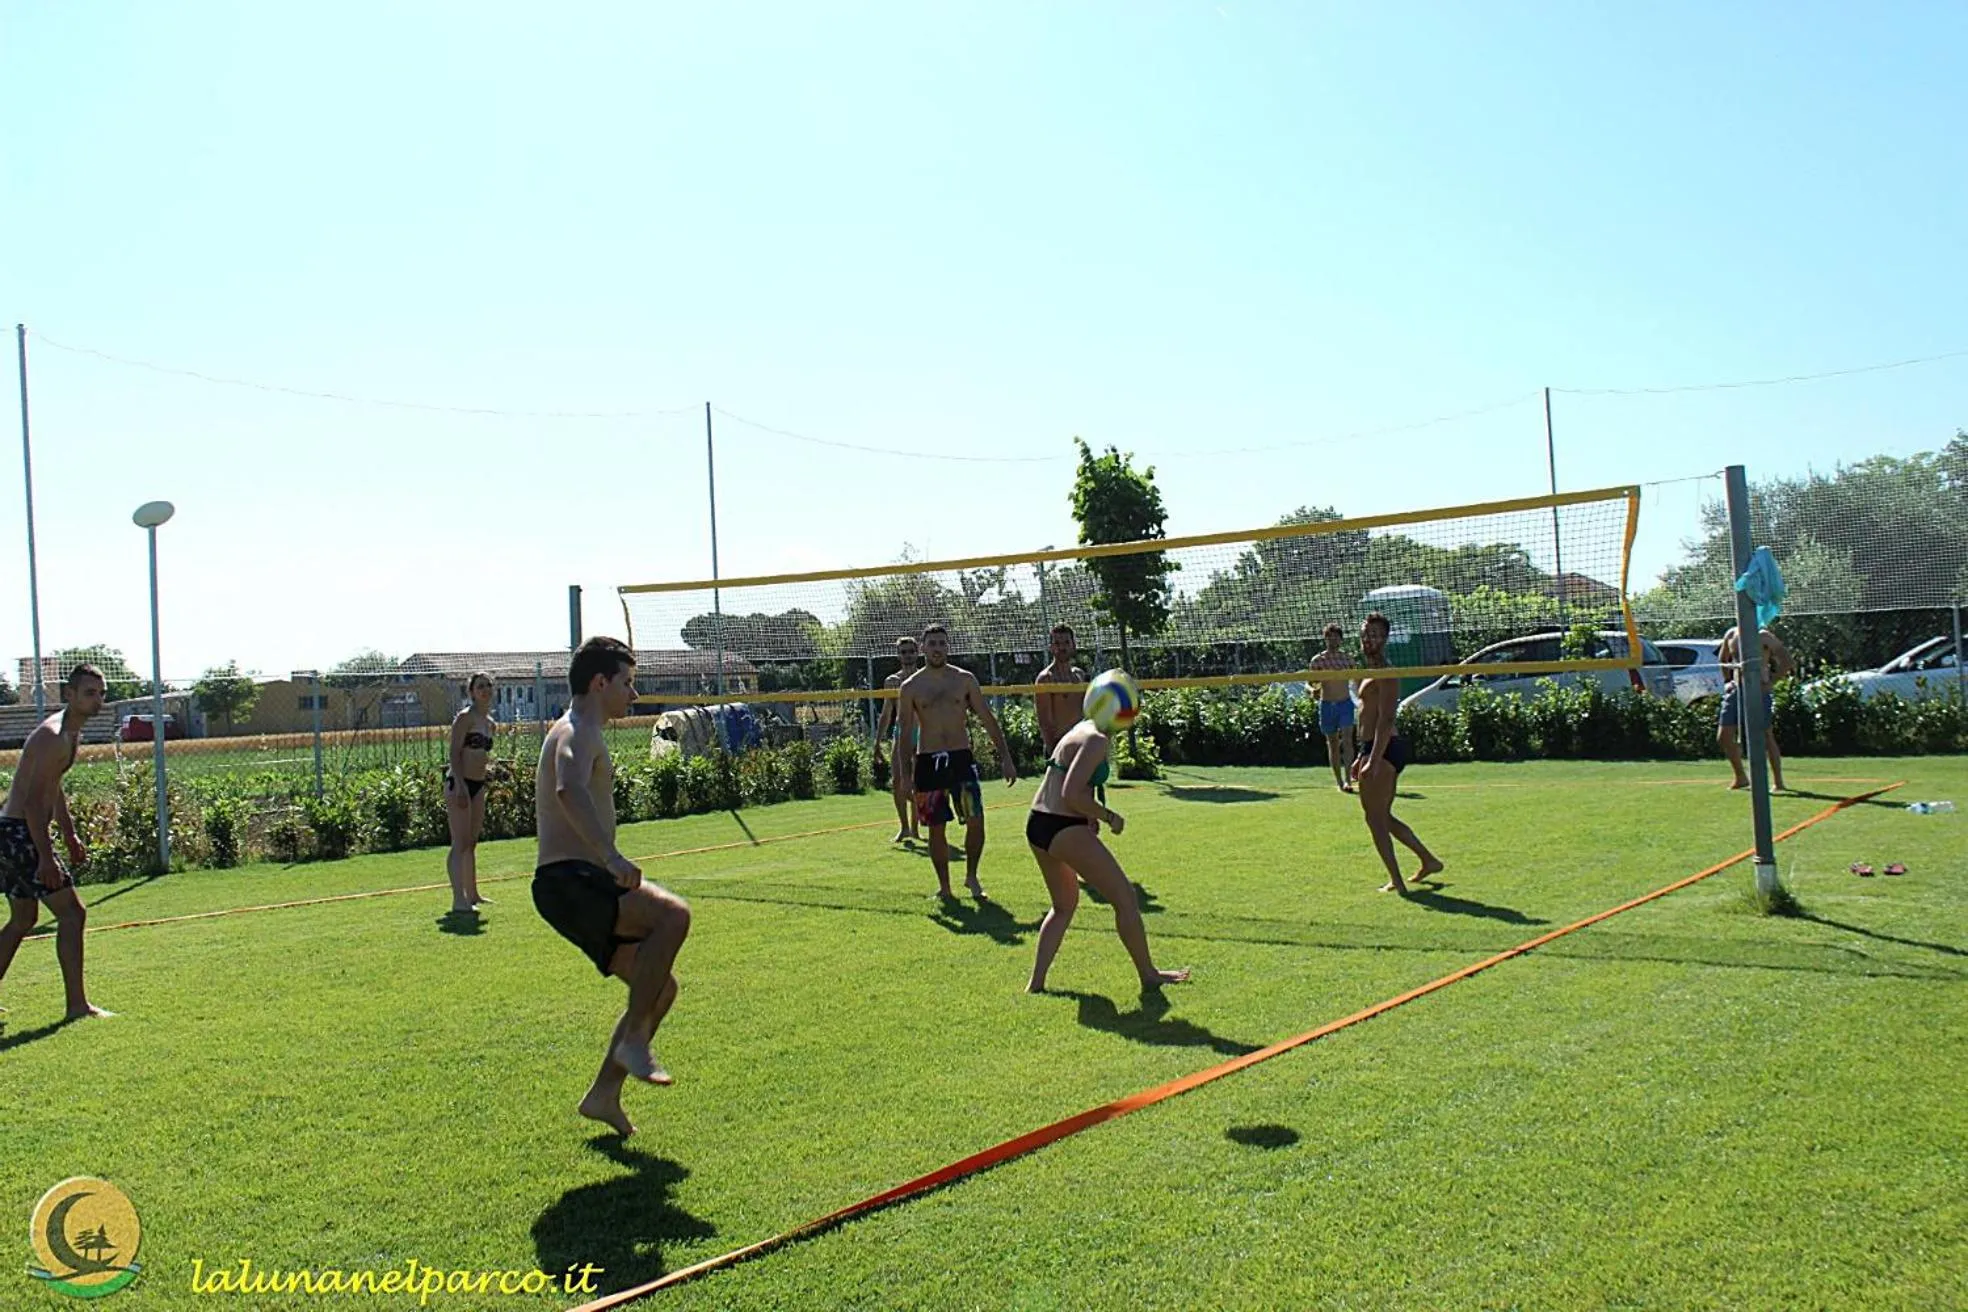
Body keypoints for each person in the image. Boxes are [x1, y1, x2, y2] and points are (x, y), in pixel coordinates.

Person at [532, 638, 691, 1138]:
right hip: (571, 881)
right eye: (626, 682)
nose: (633, 692)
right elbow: (568, 787)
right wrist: (610, 855)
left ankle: (604, 1093)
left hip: (572, 886)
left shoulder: (585, 729)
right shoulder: (577, 730)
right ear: (600, 683)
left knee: (659, 986)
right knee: (673, 915)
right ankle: (636, 1041)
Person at [1025, 712, 1188, 994]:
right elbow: (1071, 794)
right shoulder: (1097, 739)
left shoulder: (1083, 727)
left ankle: (1036, 985)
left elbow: (1068, 780)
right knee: (1125, 897)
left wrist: (1086, 815)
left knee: (1063, 907)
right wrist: (1108, 816)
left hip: (1038, 822)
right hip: (1062, 825)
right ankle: (1148, 974)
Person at [0, 664, 113, 1021]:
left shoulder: (70, 733)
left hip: (13, 832)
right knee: (72, 913)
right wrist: (47, 859)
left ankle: (77, 1005)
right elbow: (34, 803)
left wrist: (70, 833)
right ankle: (77, 1006)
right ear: (70, 695)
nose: (97, 700)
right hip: (20, 833)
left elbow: (53, 788)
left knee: (22, 919)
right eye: (89, 693)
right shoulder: (53, 736)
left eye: (101, 693)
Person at [897, 623, 1019, 901]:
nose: (937, 649)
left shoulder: (964, 680)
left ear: (948, 647)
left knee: (976, 820)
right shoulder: (911, 686)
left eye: (942, 643)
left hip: (960, 759)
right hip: (928, 762)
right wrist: (906, 776)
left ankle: (972, 876)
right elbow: (905, 734)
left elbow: (988, 719)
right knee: (936, 828)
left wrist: (1006, 758)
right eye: (932, 644)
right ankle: (945, 887)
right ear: (923, 648)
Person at [1351, 613, 1444, 894]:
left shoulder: (1386, 672)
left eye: (1376, 634)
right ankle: (1428, 860)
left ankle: (1398, 882)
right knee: (1381, 816)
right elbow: (1368, 716)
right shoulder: (1369, 670)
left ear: (1386, 639)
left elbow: (1386, 718)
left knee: (1375, 819)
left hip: (1385, 748)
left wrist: (1374, 760)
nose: (1370, 639)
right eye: (1366, 634)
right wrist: (1361, 755)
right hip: (1372, 748)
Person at [444, 671, 497, 914]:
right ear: (471, 692)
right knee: (460, 842)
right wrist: (462, 786)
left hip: (478, 784)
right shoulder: (465, 718)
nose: (485, 690)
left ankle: (473, 894)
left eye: (488, 686)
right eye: (480, 686)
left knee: (472, 842)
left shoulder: (490, 724)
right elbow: (455, 753)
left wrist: (488, 773)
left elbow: (482, 755)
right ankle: (458, 900)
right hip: (460, 783)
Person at [1717, 624, 1792, 792]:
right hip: (1736, 690)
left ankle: (1778, 782)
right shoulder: (1731, 633)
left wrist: (1771, 682)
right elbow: (1723, 660)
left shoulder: (1764, 636)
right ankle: (1741, 778)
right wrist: (1728, 681)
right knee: (1724, 736)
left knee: (1765, 736)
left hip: (1759, 690)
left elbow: (1787, 662)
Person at [872, 635, 923, 844]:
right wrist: (877, 742)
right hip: (901, 733)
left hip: (922, 733)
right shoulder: (892, 681)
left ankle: (915, 828)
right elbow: (886, 713)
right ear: (898, 655)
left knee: (919, 784)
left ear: (917, 652)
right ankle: (904, 828)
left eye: (911, 651)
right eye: (903, 652)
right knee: (898, 782)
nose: (908, 655)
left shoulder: (924, 677)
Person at [1309, 623, 1358, 793]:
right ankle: (1339, 781)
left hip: (1345, 703)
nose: (1333, 639)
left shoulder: (1347, 659)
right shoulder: (1318, 660)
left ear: (1341, 639)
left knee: (1347, 739)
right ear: (1325, 638)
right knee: (1333, 743)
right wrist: (1313, 690)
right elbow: (1311, 684)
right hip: (1327, 704)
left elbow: (1357, 680)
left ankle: (1348, 780)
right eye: (1329, 636)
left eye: (1336, 636)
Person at [1033, 623, 1088, 757]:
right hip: (1059, 745)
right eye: (1057, 643)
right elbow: (1044, 722)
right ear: (1051, 647)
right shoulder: (1046, 679)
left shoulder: (1080, 675)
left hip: (1081, 743)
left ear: (1073, 645)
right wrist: (1054, 755)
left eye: (1066, 642)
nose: (1062, 647)